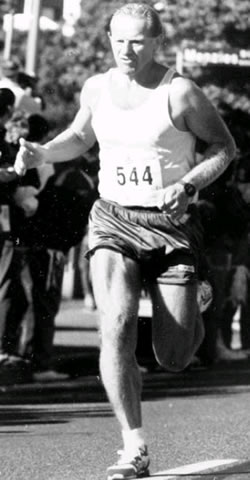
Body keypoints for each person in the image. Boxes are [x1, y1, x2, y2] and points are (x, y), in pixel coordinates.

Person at [14, 3, 236, 478]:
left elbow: (224, 148)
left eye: (137, 41)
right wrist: (41, 153)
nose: (126, 50)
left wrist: (190, 184)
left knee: (173, 357)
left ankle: (196, 297)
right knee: (114, 325)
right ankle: (133, 446)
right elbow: (79, 135)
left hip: (170, 225)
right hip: (112, 218)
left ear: (157, 43)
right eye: (118, 39)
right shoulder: (97, 87)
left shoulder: (180, 93)